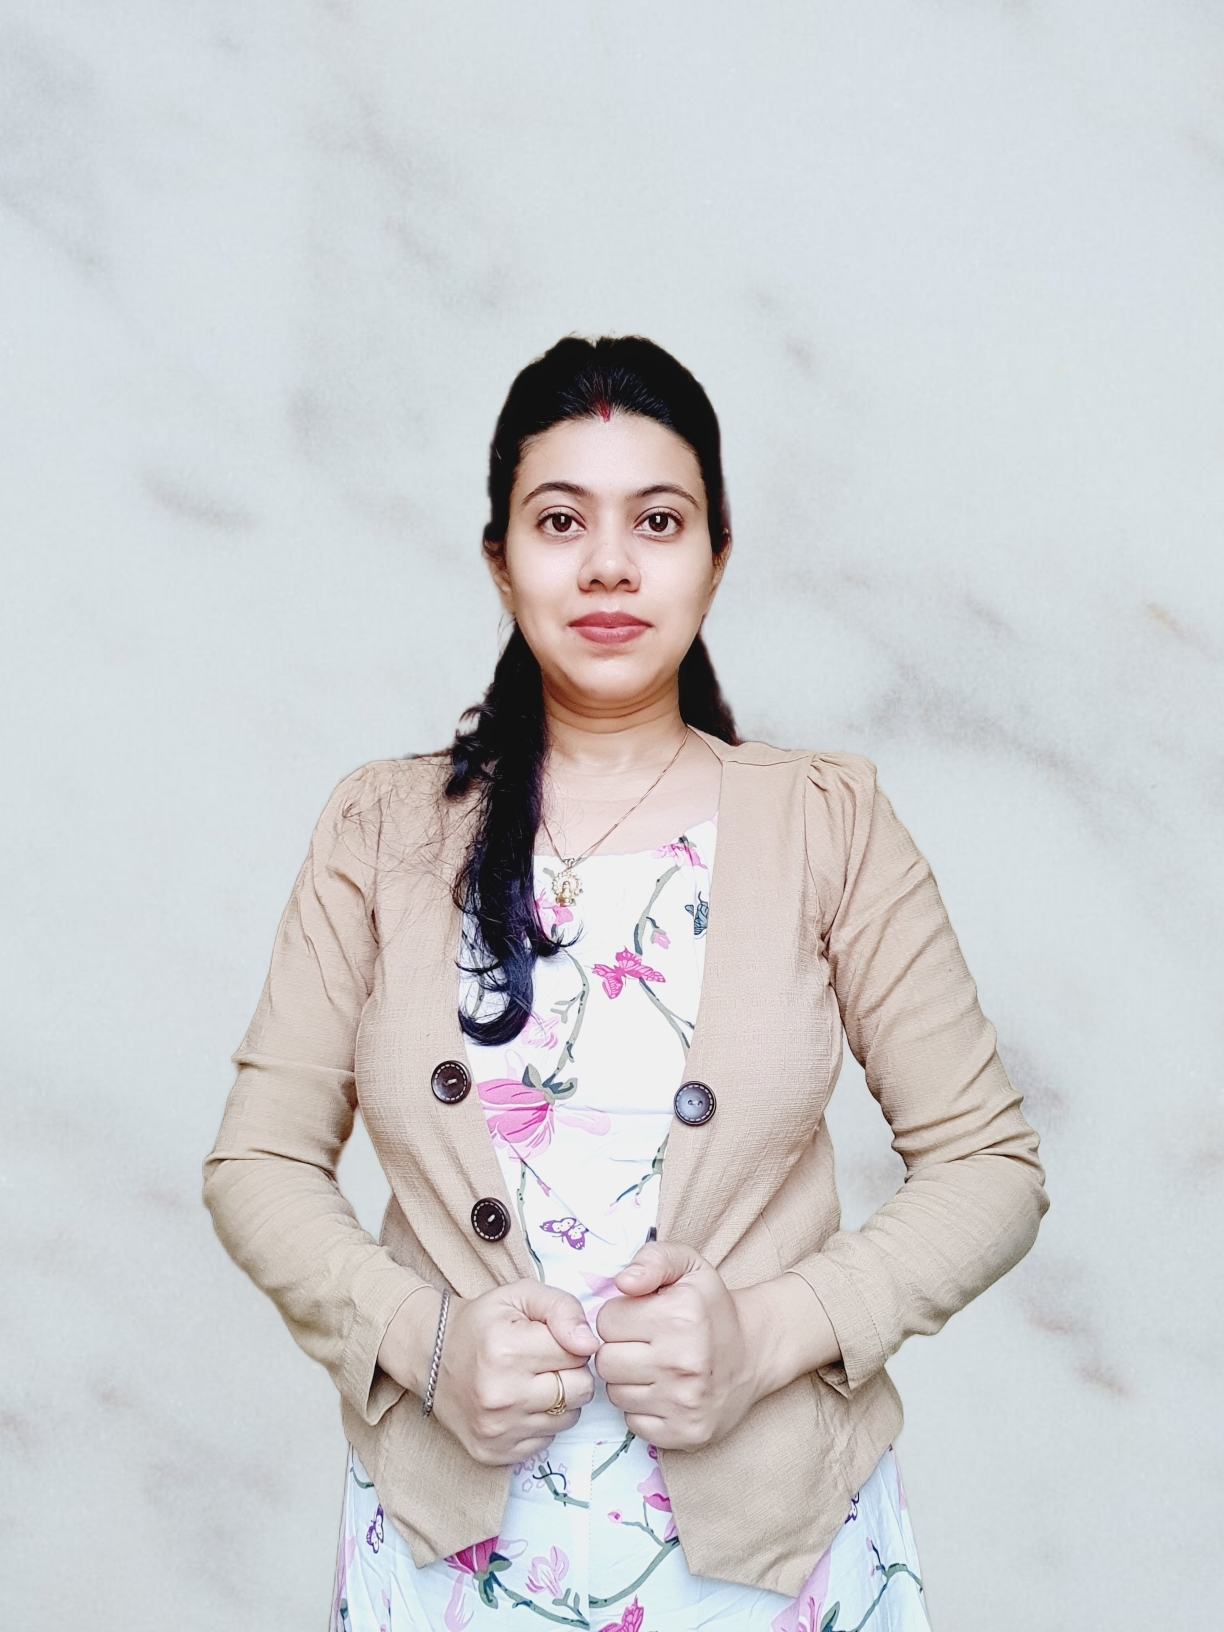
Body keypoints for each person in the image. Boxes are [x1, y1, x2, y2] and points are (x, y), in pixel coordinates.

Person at [203, 336, 1048, 1631]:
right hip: (449, 1556)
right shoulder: (381, 829)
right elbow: (257, 1160)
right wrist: (426, 1346)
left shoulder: (829, 822)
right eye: (561, 520)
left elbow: (988, 1163)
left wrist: (769, 1336)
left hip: (774, 1559)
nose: (609, 563)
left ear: (718, 553)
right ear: (500, 557)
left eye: (658, 520)